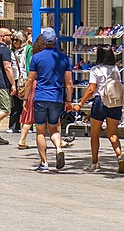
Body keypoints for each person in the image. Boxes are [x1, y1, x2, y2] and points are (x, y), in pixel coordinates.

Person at [26, 26, 73, 172]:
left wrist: (26, 98)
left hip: (40, 97)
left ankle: (44, 163)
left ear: (44, 41)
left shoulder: (36, 58)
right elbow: (69, 82)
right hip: (57, 97)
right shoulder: (64, 58)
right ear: (56, 40)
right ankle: (59, 148)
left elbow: (30, 80)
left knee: (40, 130)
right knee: (54, 128)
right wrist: (69, 101)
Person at [73, 45, 124, 173]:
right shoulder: (115, 69)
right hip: (115, 103)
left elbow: (91, 89)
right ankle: (119, 156)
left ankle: (95, 162)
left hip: (100, 102)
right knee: (112, 134)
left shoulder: (96, 69)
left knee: (95, 134)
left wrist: (80, 103)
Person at [18, 35, 46, 149]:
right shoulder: (45, 58)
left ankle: (22, 139)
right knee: (53, 115)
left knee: (29, 113)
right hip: (42, 85)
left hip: (33, 85)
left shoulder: (33, 57)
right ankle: (59, 141)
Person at [8, 31, 27, 134]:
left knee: (25, 103)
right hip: (14, 79)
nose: (14, 42)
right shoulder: (10, 51)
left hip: (24, 79)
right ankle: (13, 125)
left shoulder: (27, 50)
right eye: (13, 40)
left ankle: (26, 125)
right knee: (14, 104)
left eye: (17, 40)